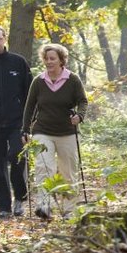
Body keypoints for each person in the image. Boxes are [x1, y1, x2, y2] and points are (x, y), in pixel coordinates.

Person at [21, 43, 88, 220]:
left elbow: (83, 101)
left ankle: (68, 210)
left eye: (52, 59)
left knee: (68, 171)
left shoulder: (72, 79)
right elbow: (29, 107)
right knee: (44, 168)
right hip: (43, 130)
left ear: (61, 60)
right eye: (46, 58)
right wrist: (25, 130)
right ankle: (45, 206)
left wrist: (79, 116)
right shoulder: (39, 81)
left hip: (67, 131)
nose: (49, 62)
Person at [0, 25, 32, 219]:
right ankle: (3, 207)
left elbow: (30, 93)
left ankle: (20, 197)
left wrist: (28, 123)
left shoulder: (18, 62)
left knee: (16, 157)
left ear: (4, 39)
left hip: (17, 122)